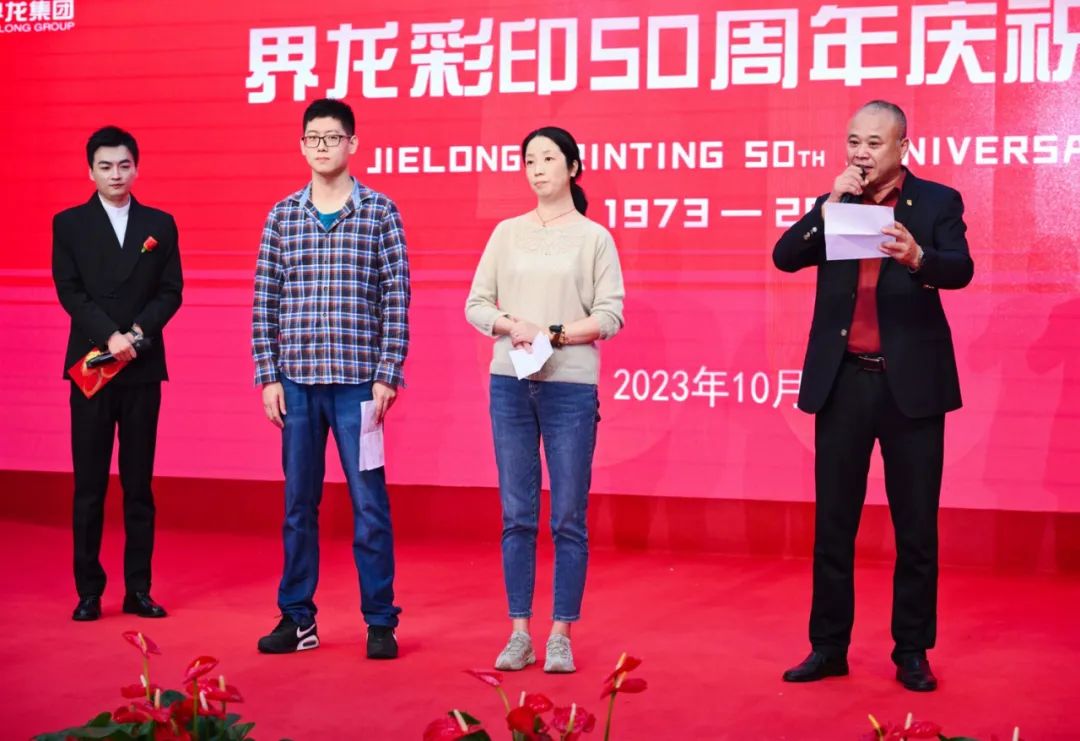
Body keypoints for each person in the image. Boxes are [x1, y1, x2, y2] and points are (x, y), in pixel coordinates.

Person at [773, 100, 974, 692]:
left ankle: (912, 650)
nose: (860, 153)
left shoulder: (937, 202)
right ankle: (828, 647)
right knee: (834, 524)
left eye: (873, 143)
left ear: (902, 148)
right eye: (853, 142)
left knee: (916, 527)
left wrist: (918, 258)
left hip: (911, 386)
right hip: (844, 382)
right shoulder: (837, 203)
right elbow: (786, 257)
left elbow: (960, 269)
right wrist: (828, 207)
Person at [252, 98, 410, 659]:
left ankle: (380, 620)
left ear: (352, 144)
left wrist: (388, 373)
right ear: (302, 146)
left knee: (369, 503)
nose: (322, 147)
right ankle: (297, 618)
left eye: (332, 137)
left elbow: (396, 298)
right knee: (298, 504)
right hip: (296, 384)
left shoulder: (380, 212)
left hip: (359, 385)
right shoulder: (282, 216)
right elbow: (265, 300)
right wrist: (268, 376)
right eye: (313, 138)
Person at [465, 126, 625, 673]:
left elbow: (610, 315)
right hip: (510, 382)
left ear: (573, 168)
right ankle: (519, 633)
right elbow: (477, 304)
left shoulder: (594, 237)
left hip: (570, 387)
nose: (537, 169)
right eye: (529, 160)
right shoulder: (507, 233)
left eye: (549, 159)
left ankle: (561, 633)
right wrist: (512, 325)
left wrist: (552, 334)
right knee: (517, 513)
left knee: (568, 516)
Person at [52, 126, 183, 621]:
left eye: (124, 165)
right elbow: (70, 290)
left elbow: (171, 291)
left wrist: (136, 334)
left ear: (136, 168)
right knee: (89, 485)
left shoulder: (160, 223)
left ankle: (138, 589)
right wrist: (110, 336)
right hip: (92, 366)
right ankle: (89, 591)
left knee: (138, 485)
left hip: (141, 366)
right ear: (90, 171)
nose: (115, 174)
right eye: (105, 166)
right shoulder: (70, 224)